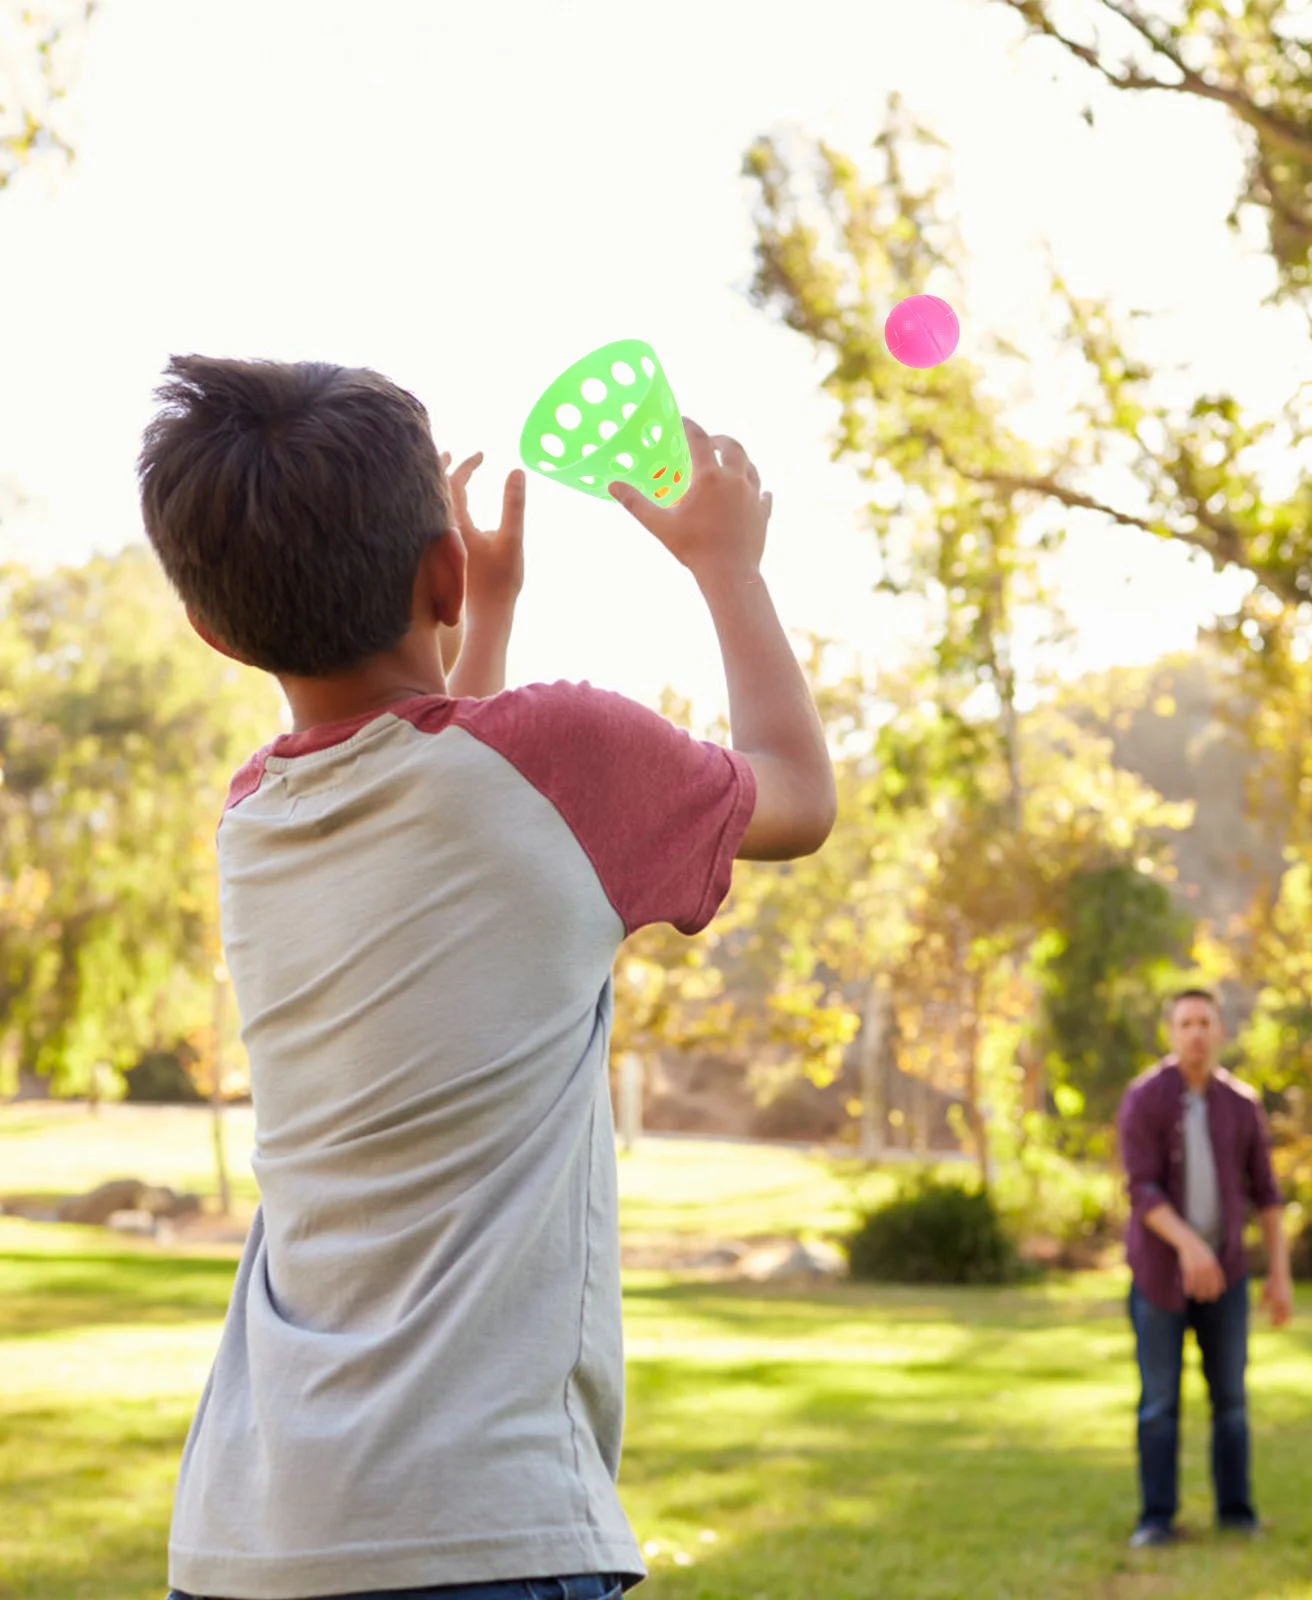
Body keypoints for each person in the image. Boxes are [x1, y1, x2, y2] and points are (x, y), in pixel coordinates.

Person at [137, 355, 837, 1600]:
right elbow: (796, 792)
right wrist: (728, 562)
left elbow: (451, 791)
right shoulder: (563, 752)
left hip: (244, 1534)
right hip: (479, 1529)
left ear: (213, 628)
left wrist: (485, 617)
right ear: (438, 572)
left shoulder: (256, 817)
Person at [1114, 988, 1293, 1549]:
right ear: (1171, 1032)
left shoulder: (1241, 1105)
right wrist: (1189, 1245)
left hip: (1229, 1279)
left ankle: (1237, 1513)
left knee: (1232, 1403)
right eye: (1185, 1022)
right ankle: (1156, 1519)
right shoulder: (1144, 1099)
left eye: (1204, 1022)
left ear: (1220, 1032)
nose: (1195, 1032)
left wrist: (1280, 1274)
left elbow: (1267, 1195)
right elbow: (1140, 1189)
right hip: (1159, 1279)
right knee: (1160, 1404)